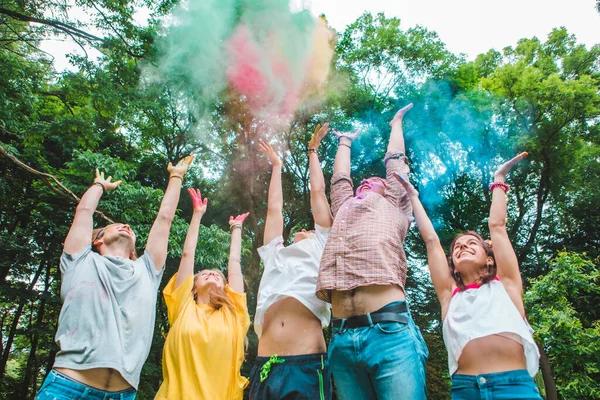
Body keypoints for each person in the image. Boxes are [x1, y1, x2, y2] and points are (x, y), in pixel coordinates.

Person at [36, 156, 194, 400]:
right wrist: (98, 185)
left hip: (122, 395)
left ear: (134, 251)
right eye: (116, 225)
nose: (127, 226)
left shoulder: (147, 272)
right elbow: (84, 211)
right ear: (97, 240)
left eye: (129, 229)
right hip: (67, 387)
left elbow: (165, 220)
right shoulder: (80, 261)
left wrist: (176, 176)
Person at [393, 152, 541, 399]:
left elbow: (497, 227)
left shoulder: (506, 284)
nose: (462, 246)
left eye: (471, 243)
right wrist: (413, 197)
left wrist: (499, 179)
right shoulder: (449, 295)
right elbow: (431, 241)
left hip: (514, 388)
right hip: (465, 390)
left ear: (490, 257)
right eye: (457, 248)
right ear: (453, 265)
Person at [316, 104, 428, 399]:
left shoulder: (395, 205)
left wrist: (396, 124)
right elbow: (340, 180)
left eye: (374, 181)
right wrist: (344, 141)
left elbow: (395, 164)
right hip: (340, 338)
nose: (365, 181)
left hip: (388, 332)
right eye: (362, 182)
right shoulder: (343, 209)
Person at [249, 130, 333, 400]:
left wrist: (313, 153)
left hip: (306, 364)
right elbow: (274, 208)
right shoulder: (275, 255)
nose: (305, 229)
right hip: (265, 366)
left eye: (309, 228)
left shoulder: (322, 246)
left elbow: (317, 192)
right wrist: (276, 167)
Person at [155, 188, 250, 400]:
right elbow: (188, 254)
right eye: (204, 274)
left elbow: (234, 263)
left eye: (217, 275)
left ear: (226, 287)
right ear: (193, 287)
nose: (210, 273)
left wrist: (236, 228)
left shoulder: (234, 314)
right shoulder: (182, 307)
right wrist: (197, 215)